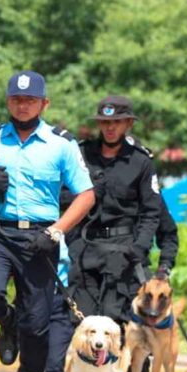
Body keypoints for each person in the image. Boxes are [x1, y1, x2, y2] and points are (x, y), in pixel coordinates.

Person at [0, 70, 94, 372]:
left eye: (30, 100)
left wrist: (57, 230)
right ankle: (8, 321)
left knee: (37, 325)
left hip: (40, 238)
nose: (23, 105)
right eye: (17, 99)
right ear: (8, 101)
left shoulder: (61, 144)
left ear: (43, 103)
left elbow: (86, 195)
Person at [68, 96, 160, 325]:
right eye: (105, 122)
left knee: (115, 320)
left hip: (123, 252)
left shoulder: (141, 161)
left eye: (116, 122)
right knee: (83, 323)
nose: (110, 127)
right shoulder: (81, 155)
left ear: (129, 123)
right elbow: (62, 200)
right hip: (85, 250)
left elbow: (151, 212)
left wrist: (140, 246)